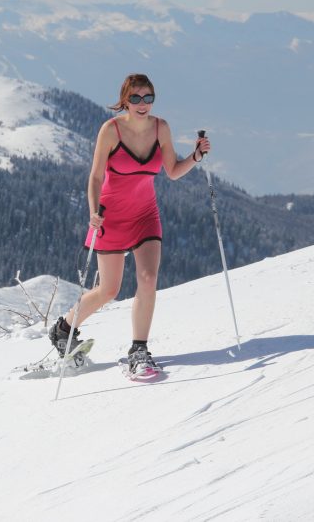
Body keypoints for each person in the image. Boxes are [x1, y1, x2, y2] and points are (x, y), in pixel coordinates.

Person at [49, 73, 211, 373]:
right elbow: (96, 176)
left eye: (147, 97)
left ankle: (139, 349)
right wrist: (93, 211)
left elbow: (173, 171)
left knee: (148, 279)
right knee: (109, 290)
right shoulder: (110, 131)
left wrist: (196, 157)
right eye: (135, 98)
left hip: (146, 215)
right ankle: (63, 328)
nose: (142, 104)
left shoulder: (161, 128)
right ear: (125, 100)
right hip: (110, 216)